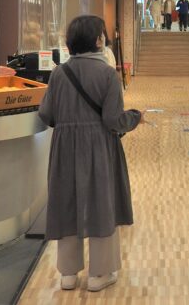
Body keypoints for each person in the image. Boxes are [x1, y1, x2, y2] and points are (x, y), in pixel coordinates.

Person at [38, 15, 143, 292]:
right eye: (102, 35)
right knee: (101, 204)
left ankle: (68, 274)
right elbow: (113, 120)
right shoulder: (108, 74)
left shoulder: (59, 73)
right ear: (98, 40)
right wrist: (135, 117)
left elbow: (46, 114)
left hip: (64, 148)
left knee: (67, 202)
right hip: (98, 146)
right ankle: (99, 274)